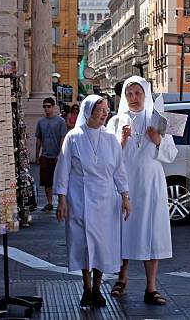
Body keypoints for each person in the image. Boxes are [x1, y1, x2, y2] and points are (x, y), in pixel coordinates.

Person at [106, 76, 178, 305]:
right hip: (125, 184)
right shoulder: (116, 121)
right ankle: (121, 278)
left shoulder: (158, 119)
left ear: (145, 94)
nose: (133, 98)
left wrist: (158, 140)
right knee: (123, 231)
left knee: (151, 232)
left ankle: (151, 287)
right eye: (129, 93)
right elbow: (108, 157)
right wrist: (122, 140)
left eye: (137, 93)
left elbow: (171, 154)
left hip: (150, 183)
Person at [54, 95, 131, 308]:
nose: (106, 113)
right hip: (79, 198)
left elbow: (119, 171)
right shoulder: (73, 137)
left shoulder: (110, 139)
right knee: (82, 243)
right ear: (89, 112)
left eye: (107, 109)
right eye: (101, 109)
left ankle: (97, 288)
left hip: (106, 200)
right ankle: (86, 288)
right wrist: (61, 200)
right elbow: (63, 170)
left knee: (101, 245)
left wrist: (125, 196)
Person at [35, 97, 67, 212]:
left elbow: (63, 138)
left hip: (56, 156)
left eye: (48, 106)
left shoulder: (60, 121)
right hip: (45, 155)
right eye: (44, 106)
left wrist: (60, 154)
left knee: (59, 180)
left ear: (53, 107)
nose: (46, 109)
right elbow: (38, 138)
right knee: (46, 181)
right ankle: (49, 203)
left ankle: (60, 202)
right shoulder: (41, 122)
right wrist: (37, 154)